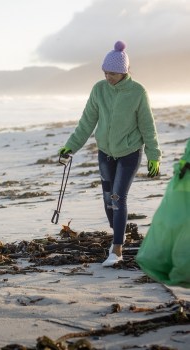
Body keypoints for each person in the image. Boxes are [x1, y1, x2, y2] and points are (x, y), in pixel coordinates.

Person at [58, 41, 161, 267]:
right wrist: (70, 147)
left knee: (117, 197)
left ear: (124, 71)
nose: (108, 77)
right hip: (105, 153)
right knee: (107, 201)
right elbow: (86, 123)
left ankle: (117, 249)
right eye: (105, 73)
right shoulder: (99, 90)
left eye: (112, 73)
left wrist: (154, 155)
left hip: (129, 152)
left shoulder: (137, 92)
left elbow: (147, 126)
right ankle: (119, 232)